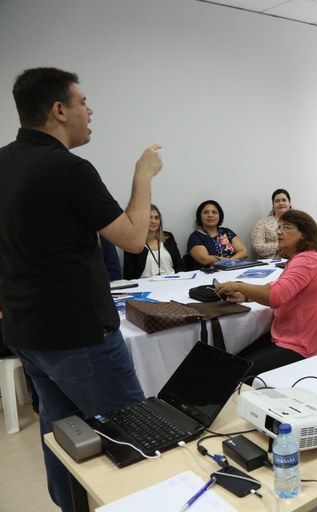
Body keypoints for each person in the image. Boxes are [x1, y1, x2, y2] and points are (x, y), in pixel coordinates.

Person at [0, 67, 162, 512]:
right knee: (136, 435)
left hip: (27, 334)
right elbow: (132, 238)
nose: (89, 111)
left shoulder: (4, 162)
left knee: (63, 435)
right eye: (82, 102)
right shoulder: (68, 168)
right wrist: (143, 173)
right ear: (58, 110)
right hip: (81, 337)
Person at [216, 210, 317, 376]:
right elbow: (277, 287)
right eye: (279, 227)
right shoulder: (305, 258)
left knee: (235, 371)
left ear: (304, 234)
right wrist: (246, 296)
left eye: (286, 227)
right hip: (292, 334)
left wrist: (239, 286)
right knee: (234, 360)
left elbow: (275, 296)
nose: (279, 232)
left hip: (302, 344)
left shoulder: (306, 261)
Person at [123, 204, 183, 279]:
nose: (153, 221)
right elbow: (129, 274)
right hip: (146, 285)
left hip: (172, 281)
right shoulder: (131, 242)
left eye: (156, 218)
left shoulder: (168, 237)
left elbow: (180, 266)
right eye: (149, 218)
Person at [187, 200, 248, 267]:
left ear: (219, 216)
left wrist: (230, 260)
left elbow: (244, 252)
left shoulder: (227, 232)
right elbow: (205, 260)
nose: (210, 215)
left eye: (214, 212)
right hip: (210, 274)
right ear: (200, 216)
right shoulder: (195, 237)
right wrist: (230, 260)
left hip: (233, 270)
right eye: (206, 212)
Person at [251, 189, 292, 258]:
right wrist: (281, 246)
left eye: (284, 200)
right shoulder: (263, 223)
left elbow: (305, 242)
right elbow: (257, 247)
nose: (281, 203)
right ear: (273, 204)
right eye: (277, 201)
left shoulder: (299, 222)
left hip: (296, 260)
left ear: (290, 202)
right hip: (271, 263)